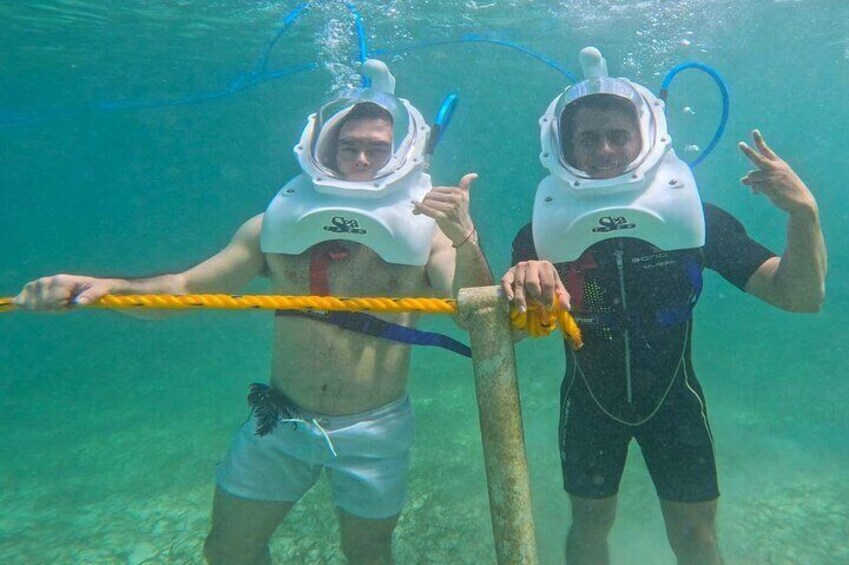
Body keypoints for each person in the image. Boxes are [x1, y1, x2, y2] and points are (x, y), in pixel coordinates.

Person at [13, 59, 492, 565]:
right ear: (325, 149)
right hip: (280, 418)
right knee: (226, 550)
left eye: (376, 149)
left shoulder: (429, 230)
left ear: (402, 153)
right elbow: (185, 288)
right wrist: (106, 288)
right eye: (348, 147)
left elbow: (474, 316)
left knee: (369, 554)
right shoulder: (272, 225)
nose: (360, 160)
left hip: (374, 427)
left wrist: (466, 237)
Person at [500, 48, 826, 565]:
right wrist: (518, 284)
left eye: (618, 135)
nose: (605, 149)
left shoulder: (694, 220)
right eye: (588, 138)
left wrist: (803, 214)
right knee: (590, 526)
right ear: (563, 146)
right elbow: (508, 332)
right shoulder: (541, 233)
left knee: (696, 536)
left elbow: (800, 296)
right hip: (589, 405)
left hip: (674, 405)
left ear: (645, 137)